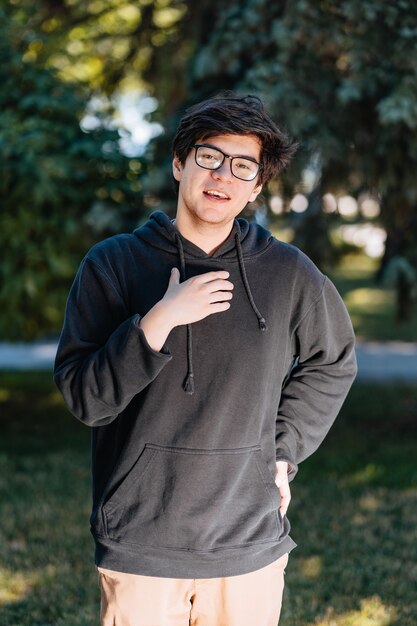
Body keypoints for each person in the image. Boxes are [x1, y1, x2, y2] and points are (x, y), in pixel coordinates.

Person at [54, 92, 357, 626]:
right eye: (209, 156)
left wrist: (282, 454)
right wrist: (158, 321)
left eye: (243, 167)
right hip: (143, 542)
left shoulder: (288, 273)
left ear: (257, 185)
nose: (223, 176)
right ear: (179, 163)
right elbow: (87, 400)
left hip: (248, 543)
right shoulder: (113, 265)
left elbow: (333, 360)